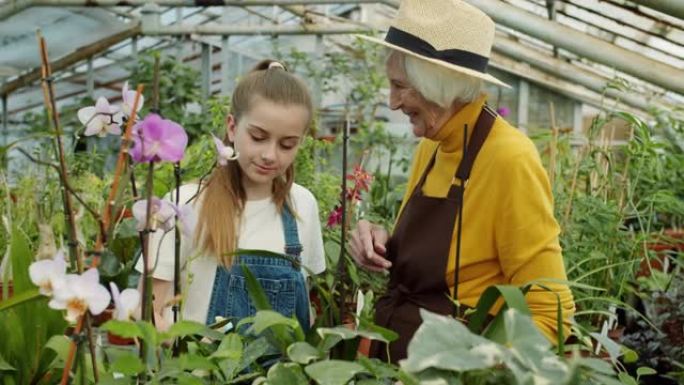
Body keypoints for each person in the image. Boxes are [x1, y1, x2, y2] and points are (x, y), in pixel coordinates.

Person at [349, 0, 575, 363]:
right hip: (395, 362)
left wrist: (479, 373)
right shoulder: (434, 148)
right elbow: (438, 264)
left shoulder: (509, 158)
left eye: (399, 86)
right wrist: (380, 243)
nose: (392, 102)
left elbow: (551, 310)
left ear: (437, 84)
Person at [136, 59, 326, 332]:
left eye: (287, 144)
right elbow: (148, 311)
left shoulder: (302, 205)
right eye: (258, 137)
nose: (270, 155)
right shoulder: (185, 204)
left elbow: (307, 306)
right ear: (232, 127)